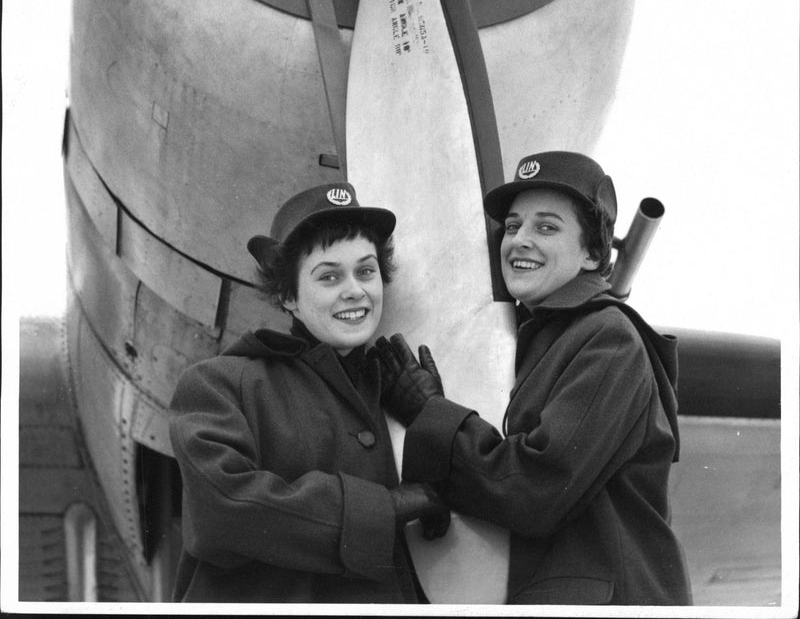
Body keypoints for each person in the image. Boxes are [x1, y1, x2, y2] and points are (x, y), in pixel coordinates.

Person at [373, 151, 693, 606]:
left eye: (546, 227)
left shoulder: (608, 336)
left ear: (593, 253)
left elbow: (536, 489)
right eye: (512, 226)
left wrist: (429, 412)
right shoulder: (539, 338)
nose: (519, 240)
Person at [169, 181, 449, 604]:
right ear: (288, 295)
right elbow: (221, 508)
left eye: (366, 271)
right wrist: (383, 509)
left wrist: (433, 414)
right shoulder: (219, 383)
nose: (354, 289)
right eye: (329, 276)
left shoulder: (395, 387)